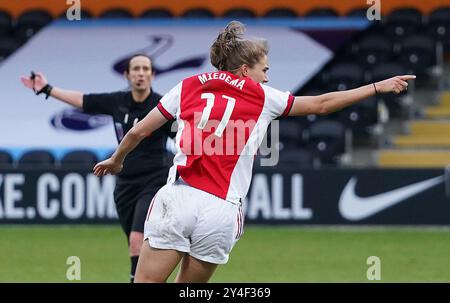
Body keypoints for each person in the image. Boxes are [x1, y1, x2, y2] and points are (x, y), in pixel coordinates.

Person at [93, 21, 415, 283]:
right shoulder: (262, 96)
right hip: (221, 210)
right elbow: (321, 104)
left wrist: (117, 159)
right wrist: (375, 87)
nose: (267, 76)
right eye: (265, 69)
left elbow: (139, 130)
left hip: (178, 199)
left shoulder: (188, 86)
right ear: (246, 70)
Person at [20, 54, 175, 283]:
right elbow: (83, 100)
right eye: (136, 69)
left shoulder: (162, 106)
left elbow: (182, 136)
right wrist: (47, 89)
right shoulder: (117, 101)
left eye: (146, 69)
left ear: (152, 74)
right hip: (125, 183)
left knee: (137, 240)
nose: (141, 73)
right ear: (127, 75)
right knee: (134, 244)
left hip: (155, 181)